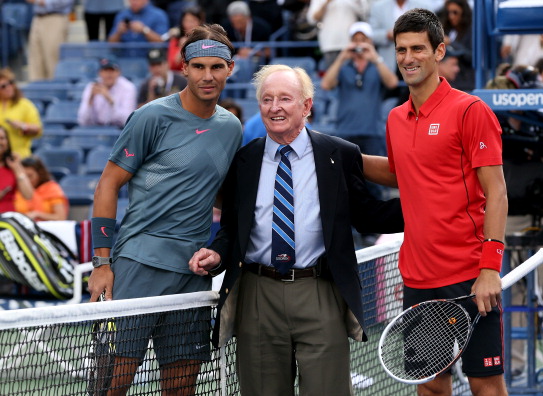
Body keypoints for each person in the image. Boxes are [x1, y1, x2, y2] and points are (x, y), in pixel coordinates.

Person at [188, 64, 404, 396]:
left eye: (285, 98)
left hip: (320, 291)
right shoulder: (244, 161)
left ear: (306, 106)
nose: (275, 108)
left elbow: (369, 216)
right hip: (257, 296)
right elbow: (232, 228)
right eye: (267, 99)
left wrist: (428, 208)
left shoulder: (339, 155)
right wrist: (216, 252)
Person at [86, 24, 242, 395]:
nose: (208, 75)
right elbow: (107, 185)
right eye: (199, 66)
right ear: (183, 68)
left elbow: (212, 190)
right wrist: (101, 264)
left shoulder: (232, 127)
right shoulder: (149, 117)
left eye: (216, 67)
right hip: (138, 265)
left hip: (192, 272)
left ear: (230, 69)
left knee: (182, 386)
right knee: (113, 383)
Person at [362, 9, 508, 395]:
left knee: (486, 386)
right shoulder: (395, 118)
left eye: (418, 49)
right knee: (430, 388)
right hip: (418, 279)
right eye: (401, 50)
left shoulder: (470, 110)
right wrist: (344, 158)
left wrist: (490, 268)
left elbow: (497, 192)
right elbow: (402, 172)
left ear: (439, 51)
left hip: (469, 276)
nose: (408, 57)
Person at [321, 21, 398, 201]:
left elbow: (392, 82)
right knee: (344, 181)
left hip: (371, 131)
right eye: (356, 40)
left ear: (370, 41)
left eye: (363, 40)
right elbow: (326, 84)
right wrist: (342, 57)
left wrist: (375, 57)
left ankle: (375, 227)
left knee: (374, 184)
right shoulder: (344, 66)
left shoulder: (377, 64)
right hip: (345, 130)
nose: (359, 44)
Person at [369, 0, 434, 73]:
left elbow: (432, 32)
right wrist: (387, 35)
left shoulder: (424, 6)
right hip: (388, 63)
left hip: (417, 60)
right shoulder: (378, 7)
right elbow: (371, 34)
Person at [77, 57, 137, 128]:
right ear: (99, 73)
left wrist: (109, 99)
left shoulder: (128, 88)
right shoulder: (91, 87)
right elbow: (82, 121)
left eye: (112, 70)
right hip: (96, 129)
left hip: (120, 131)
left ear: (118, 72)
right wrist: (90, 100)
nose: (108, 74)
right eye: (105, 70)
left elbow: (127, 120)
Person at [307, 0, 369, 69]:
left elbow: (365, 14)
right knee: (331, 77)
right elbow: (312, 19)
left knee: (350, 77)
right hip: (330, 44)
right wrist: (327, 2)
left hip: (350, 44)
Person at [26, 0, 75, 81]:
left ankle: (54, 92)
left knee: (53, 61)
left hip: (55, 17)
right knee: (35, 62)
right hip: (37, 18)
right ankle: (36, 92)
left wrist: (41, 2)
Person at [0, 68, 43, 158]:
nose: (8, 88)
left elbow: (38, 130)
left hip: (20, 157)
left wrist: (23, 126)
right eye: (3, 86)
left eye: (10, 83)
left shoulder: (25, 105)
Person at [14, 156, 69, 221]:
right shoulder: (15, 190)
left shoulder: (52, 189)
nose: (27, 181)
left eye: (30, 176)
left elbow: (61, 217)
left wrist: (37, 214)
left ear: (40, 174)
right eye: (24, 177)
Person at [440, 0, 473, 91]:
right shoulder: (446, 29)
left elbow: (472, 57)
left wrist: (451, 43)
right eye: (449, 12)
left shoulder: (472, 31)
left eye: (455, 12)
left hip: (466, 81)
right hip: (448, 80)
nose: (451, 16)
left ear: (463, 12)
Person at [0, 126, 33, 213]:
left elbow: (28, 195)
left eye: (2, 138)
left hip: (7, 219)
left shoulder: (12, 165)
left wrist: (17, 168)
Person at [167, 6, 206, 72]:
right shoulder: (176, 40)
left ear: (200, 22)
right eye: (186, 20)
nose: (189, 25)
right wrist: (181, 48)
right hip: (180, 77)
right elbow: (172, 65)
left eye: (192, 21)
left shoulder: (206, 40)